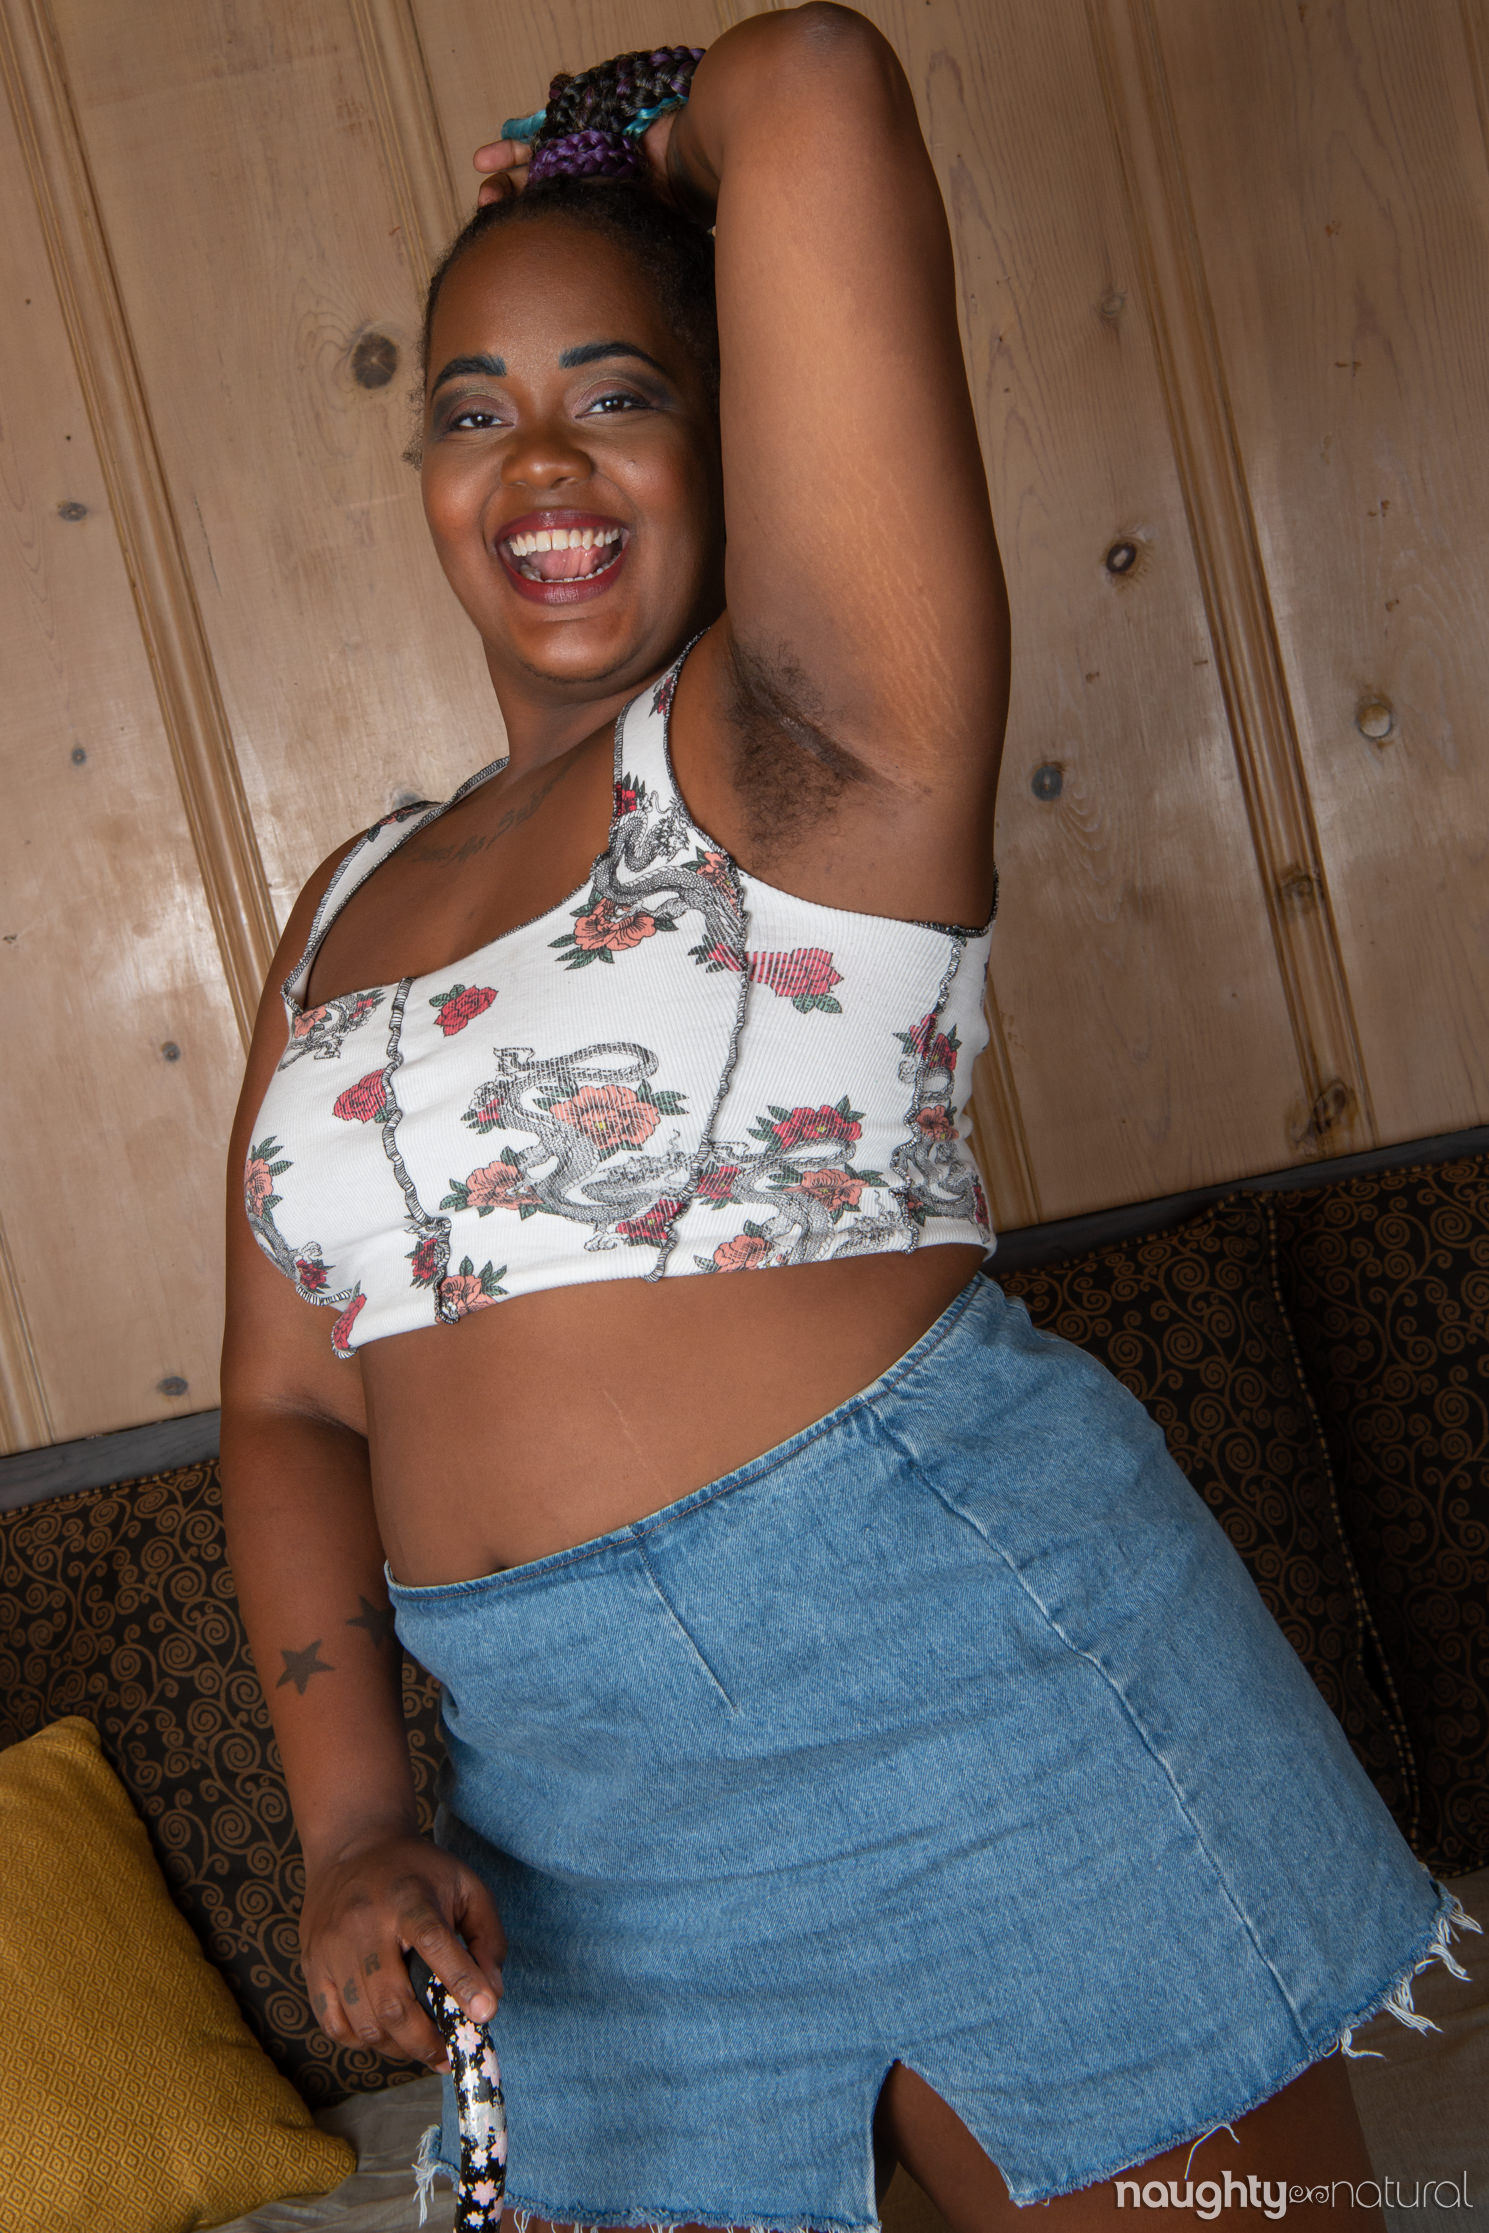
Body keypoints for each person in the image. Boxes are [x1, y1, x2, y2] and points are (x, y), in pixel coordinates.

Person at [220, 11, 1477, 2229]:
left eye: (618, 391)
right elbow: (294, 1401)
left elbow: (805, 79)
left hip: (955, 1679)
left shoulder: (810, 738)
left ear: (740, 431)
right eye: (473, 409)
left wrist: (625, 140)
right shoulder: (340, 901)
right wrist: (349, 1821)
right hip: (568, 1825)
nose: (539, 464)